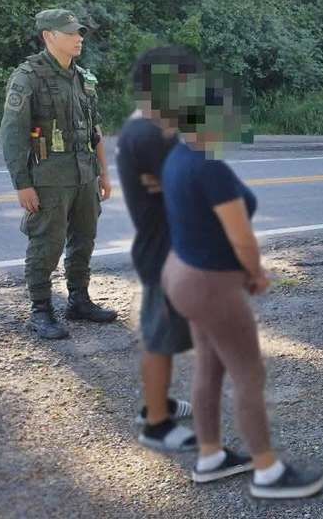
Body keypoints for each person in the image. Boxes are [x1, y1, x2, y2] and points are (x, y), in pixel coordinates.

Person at [160, 72, 323, 499]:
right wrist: (254, 274)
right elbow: (240, 238)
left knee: (210, 367)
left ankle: (211, 457)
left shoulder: (178, 156)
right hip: (211, 285)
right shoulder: (209, 168)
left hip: (183, 275)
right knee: (249, 373)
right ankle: (268, 473)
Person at [0, 9, 117, 339]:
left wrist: (103, 174)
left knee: (84, 240)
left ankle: (79, 300)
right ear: (49, 35)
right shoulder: (29, 77)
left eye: (79, 32)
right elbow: (11, 134)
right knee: (46, 244)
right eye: (70, 32)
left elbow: (95, 129)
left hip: (84, 176)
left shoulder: (83, 78)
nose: (78, 37)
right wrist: (22, 184)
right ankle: (40, 310)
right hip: (48, 178)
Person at [118, 47, 204, 451]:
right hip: (164, 251)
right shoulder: (153, 134)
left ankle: (158, 402)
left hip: (162, 245)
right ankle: (155, 422)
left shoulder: (147, 126)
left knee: (163, 332)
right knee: (160, 337)